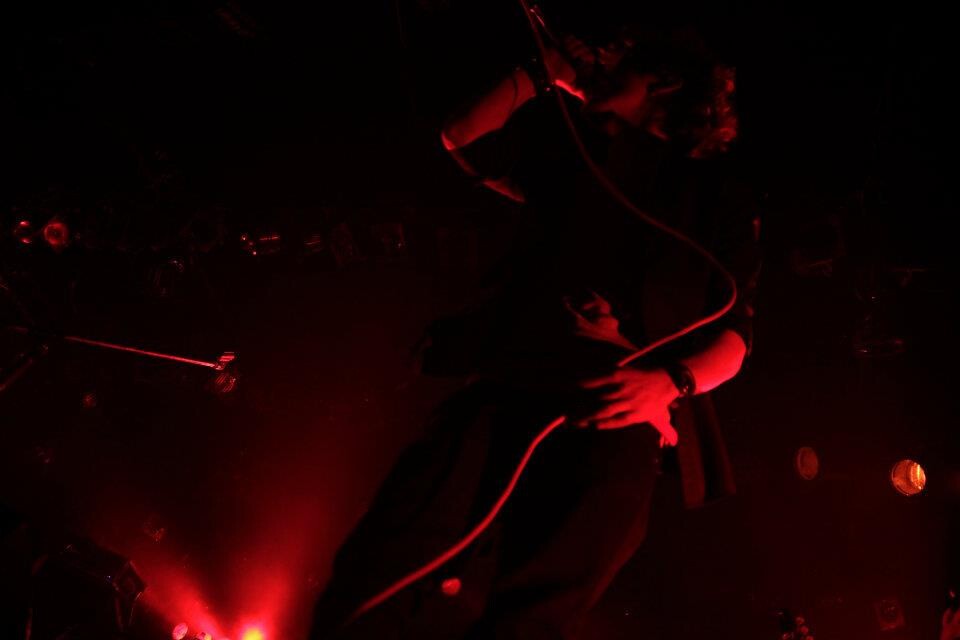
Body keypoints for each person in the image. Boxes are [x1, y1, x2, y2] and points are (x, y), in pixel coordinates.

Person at [311, 24, 760, 639]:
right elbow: (464, 137)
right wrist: (537, 73)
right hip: (507, 386)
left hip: (619, 409)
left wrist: (667, 383)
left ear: (663, 83)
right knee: (384, 560)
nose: (602, 61)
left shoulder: (717, 197)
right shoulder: (576, 157)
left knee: (536, 612)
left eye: (621, 58)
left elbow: (735, 337)